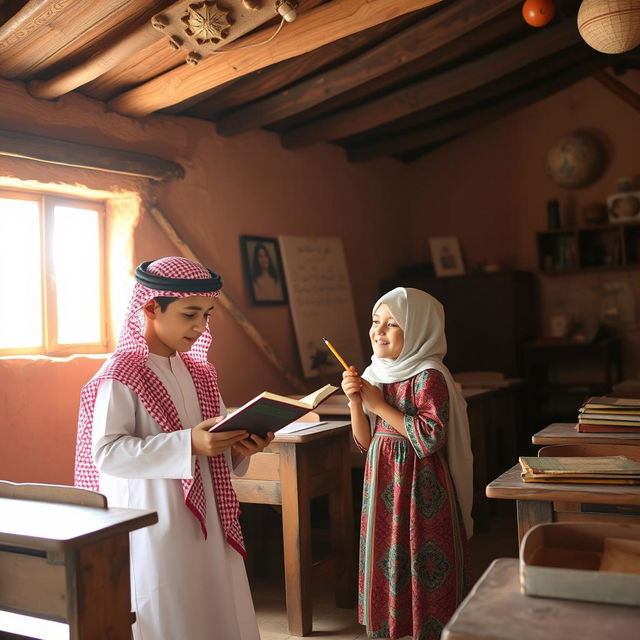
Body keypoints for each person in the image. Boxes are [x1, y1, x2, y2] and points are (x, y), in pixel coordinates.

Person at [75, 256, 273, 640]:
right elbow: (107, 453)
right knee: (168, 606)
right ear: (150, 308)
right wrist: (188, 444)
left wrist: (241, 447)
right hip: (154, 517)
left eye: (207, 315)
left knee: (215, 602)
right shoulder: (119, 375)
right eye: (189, 314)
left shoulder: (200, 372)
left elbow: (214, 441)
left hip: (209, 518)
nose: (200, 326)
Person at [341, 287, 473, 640]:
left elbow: (431, 437)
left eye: (392, 324)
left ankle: (427, 630)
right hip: (382, 475)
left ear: (418, 329)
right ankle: (392, 628)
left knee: (419, 554)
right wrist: (356, 401)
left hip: (420, 483)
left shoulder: (429, 375)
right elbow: (365, 443)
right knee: (387, 554)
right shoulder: (375, 372)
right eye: (375, 321)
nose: (378, 331)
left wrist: (379, 406)